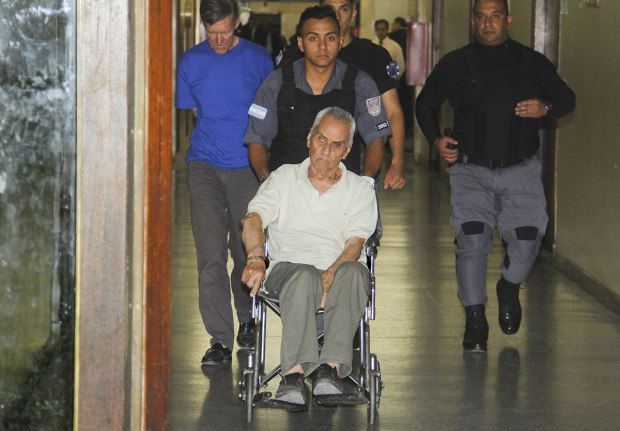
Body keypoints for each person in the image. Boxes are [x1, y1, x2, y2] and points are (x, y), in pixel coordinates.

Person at [415, 0, 575, 353]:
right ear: (474, 21)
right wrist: (436, 140)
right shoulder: (456, 62)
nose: (489, 24)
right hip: (471, 170)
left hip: (521, 170)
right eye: (482, 17)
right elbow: (424, 103)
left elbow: (566, 99)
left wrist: (545, 108)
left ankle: (509, 285)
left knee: (529, 240)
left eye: (496, 16)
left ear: (508, 20)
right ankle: (475, 317)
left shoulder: (531, 62)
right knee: (472, 240)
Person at [241, 107, 378, 405]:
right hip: (286, 271)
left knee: (355, 272)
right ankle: (292, 376)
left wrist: (328, 277)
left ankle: (329, 371)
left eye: (337, 145)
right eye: (321, 139)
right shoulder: (282, 178)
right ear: (308, 138)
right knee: (303, 275)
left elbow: (355, 245)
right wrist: (254, 258)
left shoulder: (360, 189)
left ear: (348, 150)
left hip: (339, 270)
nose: (326, 151)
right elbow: (254, 218)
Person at [175, 0, 273, 365]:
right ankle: (220, 339)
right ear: (204, 26)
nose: (218, 40)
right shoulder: (190, 62)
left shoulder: (258, 58)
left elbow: (267, 110)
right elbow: (196, 111)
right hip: (203, 164)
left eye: (225, 33)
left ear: (237, 26)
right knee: (210, 254)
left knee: (244, 252)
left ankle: (247, 319)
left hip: (246, 165)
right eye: (211, 33)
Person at [244, 6, 392, 183]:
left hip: (341, 192)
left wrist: (365, 183)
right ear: (300, 43)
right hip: (288, 191)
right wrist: (266, 180)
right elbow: (257, 140)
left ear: (340, 42)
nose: (322, 46)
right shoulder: (275, 84)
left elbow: (376, 139)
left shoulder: (361, 85)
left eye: (330, 38)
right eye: (313, 38)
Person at [279, 0, 406, 190]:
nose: (337, 16)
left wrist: (396, 161)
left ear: (353, 14)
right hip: (303, 155)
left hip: (362, 154)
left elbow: (393, 112)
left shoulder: (373, 56)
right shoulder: (295, 56)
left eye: (344, 9)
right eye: (331, 10)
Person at [389, 16, 414, 138]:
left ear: (397, 23)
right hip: (408, 75)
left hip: (393, 79)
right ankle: (407, 129)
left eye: (392, 23)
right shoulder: (410, 35)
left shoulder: (392, 37)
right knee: (405, 104)